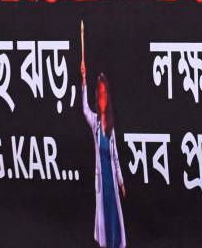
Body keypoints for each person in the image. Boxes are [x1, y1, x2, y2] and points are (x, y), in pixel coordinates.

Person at [80, 28, 126, 248]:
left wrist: (121, 182)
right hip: (101, 182)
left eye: (104, 93)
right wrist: (84, 81)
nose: (101, 97)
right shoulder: (95, 123)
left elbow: (115, 158)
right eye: (98, 93)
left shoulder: (111, 127)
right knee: (104, 223)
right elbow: (84, 109)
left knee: (115, 220)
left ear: (107, 96)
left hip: (111, 184)